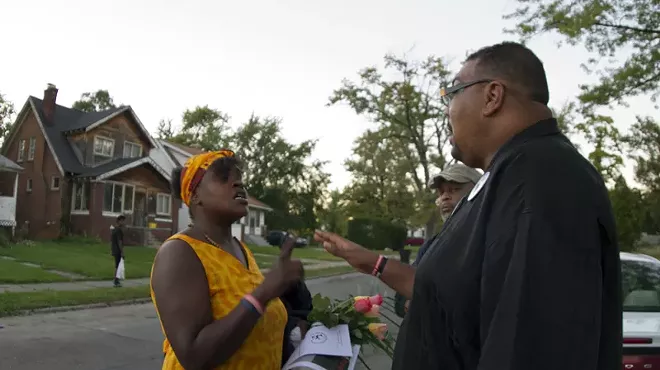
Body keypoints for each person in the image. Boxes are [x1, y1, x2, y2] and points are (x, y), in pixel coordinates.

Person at [315, 41, 621, 370]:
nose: (446, 109)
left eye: (452, 92)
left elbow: (532, 345)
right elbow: (449, 292)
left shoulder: (543, 179)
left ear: (492, 96)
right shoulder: (504, 177)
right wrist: (366, 260)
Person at [150, 150, 304, 370]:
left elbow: (255, 326)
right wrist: (265, 292)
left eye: (239, 178)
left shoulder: (241, 249)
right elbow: (193, 356)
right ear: (195, 196)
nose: (238, 184)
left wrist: (298, 329)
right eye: (224, 178)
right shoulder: (179, 252)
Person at [396, 163, 481, 316]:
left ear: (479, 191)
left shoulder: (489, 240)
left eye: (454, 189)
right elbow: (401, 298)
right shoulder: (431, 246)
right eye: (441, 192)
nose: (444, 197)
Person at [111, 215, 125, 288]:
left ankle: (116, 279)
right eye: (122, 221)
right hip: (118, 250)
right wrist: (122, 252)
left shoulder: (114, 229)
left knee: (117, 265)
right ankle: (116, 280)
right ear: (119, 221)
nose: (123, 222)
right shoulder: (118, 230)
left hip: (114, 249)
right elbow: (119, 241)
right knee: (118, 266)